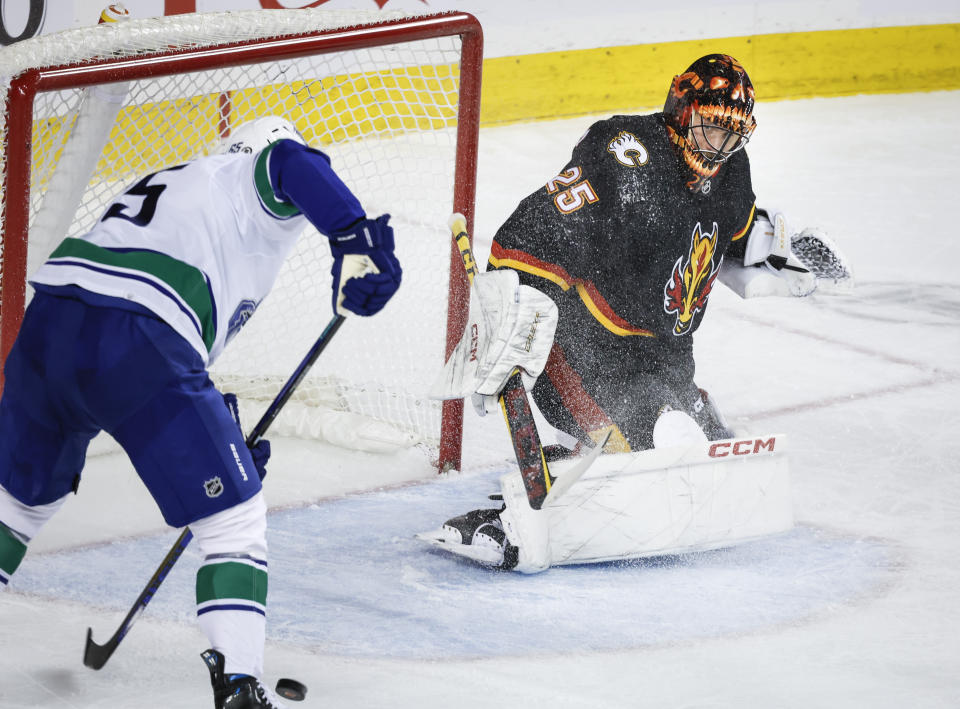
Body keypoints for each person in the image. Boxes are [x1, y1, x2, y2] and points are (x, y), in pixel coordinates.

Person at [0, 116, 402, 708]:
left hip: (48, 329)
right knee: (233, 524)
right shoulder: (250, 177)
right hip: (136, 335)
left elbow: (154, 341)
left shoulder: (180, 183)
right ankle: (239, 683)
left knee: (15, 509)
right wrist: (354, 236)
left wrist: (223, 440)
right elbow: (294, 162)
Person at [430, 54, 849, 568]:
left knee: (705, 461)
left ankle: (581, 457)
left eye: (732, 133)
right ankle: (508, 519)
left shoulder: (731, 169)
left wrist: (784, 249)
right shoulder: (624, 158)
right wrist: (507, 311)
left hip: (667, 356)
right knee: (650, 455)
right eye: (711, 127)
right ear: (680, 105)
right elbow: (529, 236)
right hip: (584, 350)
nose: (720, 145)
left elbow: (732, 235)